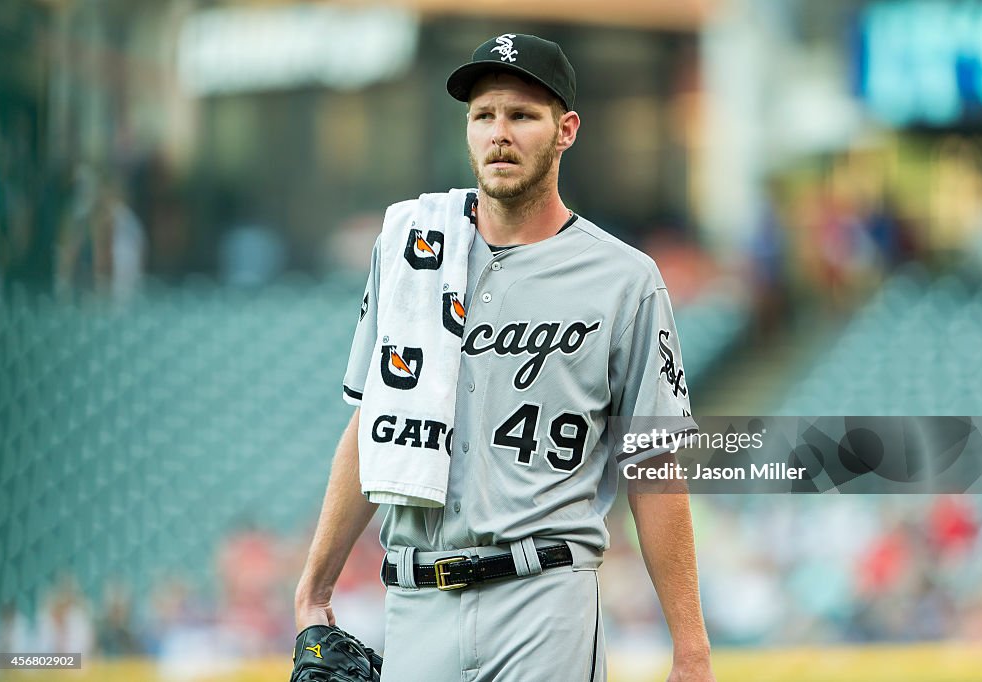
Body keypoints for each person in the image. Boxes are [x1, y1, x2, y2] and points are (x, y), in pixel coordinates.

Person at [295, 33, 714, 681]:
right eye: (484, 115)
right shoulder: (412, 250)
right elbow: (373, 426)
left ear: (566, 129)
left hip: (543, 598)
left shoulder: (623, 279)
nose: (500, 133)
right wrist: (314, 590)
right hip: (415, 601)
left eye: (522, 115)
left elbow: (653, 464)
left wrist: (689, 649)